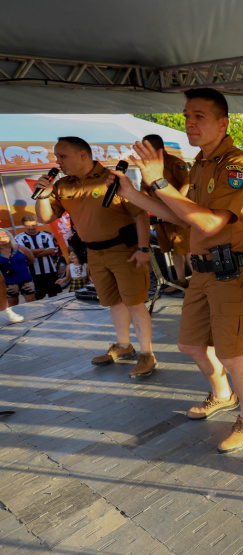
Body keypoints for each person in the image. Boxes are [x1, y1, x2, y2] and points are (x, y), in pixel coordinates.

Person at [107, 87, 243, 454]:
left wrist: (160, 182)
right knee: (190, 344)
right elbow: (184, 216)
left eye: (199, 116)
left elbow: (210, 224)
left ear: (222, 123)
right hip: (205, 270)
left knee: (230, 353)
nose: (189, 123)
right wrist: (135, 195)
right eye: (186, 116)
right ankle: (222, 394)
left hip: (234, 271)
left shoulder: (237, 164)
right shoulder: (201, 163)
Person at [33, 136, 156, 378]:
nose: (57, 161)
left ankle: (147, 354)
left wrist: (143, 249)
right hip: (94, 252)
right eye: (56, 156)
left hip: (125, 250)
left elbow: (140, 214)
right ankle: (123, 345)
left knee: (134, 302)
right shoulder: (63, 185)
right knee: (113, 301)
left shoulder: (112, 178)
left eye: (62, 156)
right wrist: (44, 194)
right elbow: (45, 219)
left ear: (83, 155)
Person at [142, 134, 192, 293]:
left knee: (187, 247)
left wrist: (176, 204)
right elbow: (145, 187)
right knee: (173, 249)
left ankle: (199, 281)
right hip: (160, 215)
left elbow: (187, 184)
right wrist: (144, 198)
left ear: (156, 148)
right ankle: (181, 280)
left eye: (146, 147)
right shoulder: (148, 166)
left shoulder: (174, 163)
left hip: (178, 213)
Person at [15, 213, 61, 300]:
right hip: (32, 273)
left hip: (49, 270)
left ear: (37, 223)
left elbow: (51, 250)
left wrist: (30, 253)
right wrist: (42, 249)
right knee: (38, 297)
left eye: (32, 225)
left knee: (53, 294)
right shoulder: (19, 237)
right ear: (23, 225)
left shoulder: (45, 235)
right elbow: (23, 252)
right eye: (27, 225)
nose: (30, 227)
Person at [0, 230, 36, 305]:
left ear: (9, 237)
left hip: (25, 280)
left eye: (4, 236)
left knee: (32, 302)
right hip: (8, 282)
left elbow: (31, 260)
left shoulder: (20, 248)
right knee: (13, 304)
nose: (2, 239)